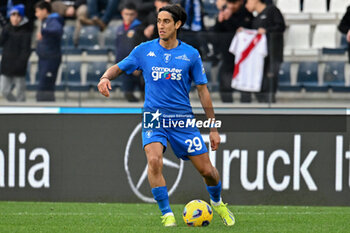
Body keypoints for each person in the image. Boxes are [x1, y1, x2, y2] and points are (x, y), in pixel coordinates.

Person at [97, 4, 235, 227]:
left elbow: (203, 91)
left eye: (166, 21)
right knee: (153, 161)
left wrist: (213, 128)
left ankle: (217, 202)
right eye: (159, 21)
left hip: (182, 120)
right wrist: (105, 78)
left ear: (178, 24)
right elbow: (119, 67)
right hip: (153, 116)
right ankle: (167, 214)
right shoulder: (144, 50)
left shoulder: (190, 54)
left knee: (207, 171)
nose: (161, 25)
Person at [244, 0, 285, 103]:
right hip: (260, 57)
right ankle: (262, 103)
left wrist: (267, 31)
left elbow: (281, 26)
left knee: (270, 80)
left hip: (273, 53)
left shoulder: (272, 10)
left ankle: (270, 104)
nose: (246, 4)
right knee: (261, 82)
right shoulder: (256, 18)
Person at [211, 0, 252, 102]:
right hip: (227, 55)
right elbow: (215, 35)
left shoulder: (246, 14)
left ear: (240, 2)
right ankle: (227, 106)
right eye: (230, 3)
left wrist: (229, 19)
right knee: (225, 82)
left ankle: (247, 109)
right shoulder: (223, 13)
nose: (232, 6)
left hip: (243, 57)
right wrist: (220, 21)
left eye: (234, 3)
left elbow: (244, 30)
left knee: (245, 85)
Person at [0, 4, 32, 102]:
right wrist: (3, 33)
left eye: (18, 16)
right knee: (3, 90)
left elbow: (25, 51)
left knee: (20, 93)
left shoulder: (26, 32)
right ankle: (14, 105)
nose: (15, 18)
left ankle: (22, 112)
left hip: (19, 67)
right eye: (13, 15)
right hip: (6, 65)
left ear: (21, 17)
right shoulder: (6, 29)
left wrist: (21, 64)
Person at [35, 0, 64, 101]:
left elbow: (57, 30)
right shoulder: (45, 21)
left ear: (44, 10)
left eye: (38, 11)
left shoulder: (53, 20)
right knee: (43, 84)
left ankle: (47, 109)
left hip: (50, 58)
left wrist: (44, 32)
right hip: (44, 58)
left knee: (46, 85)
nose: (36, 14)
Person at [115, 3, 142, 102]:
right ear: (122, 14)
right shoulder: (119, 29)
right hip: (124, 65)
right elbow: (118, 47)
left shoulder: (140, 28)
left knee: (145, 93)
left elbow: (142, 49)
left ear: (136, 15)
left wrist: (139, 65)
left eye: (131, 14)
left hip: (137, 68)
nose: (128, 17)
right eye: (126, 14)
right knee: (128, 94)